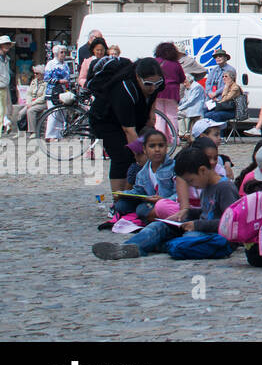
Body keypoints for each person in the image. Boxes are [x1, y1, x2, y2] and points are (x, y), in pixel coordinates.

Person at [93, 146, 239, 260]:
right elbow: (206, 212)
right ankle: (127, 248)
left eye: (191, 181)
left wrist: (196, 225)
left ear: (202, 171)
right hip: (199, 227)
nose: (192, 186)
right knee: (158, 225)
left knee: (189, 239)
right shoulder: (206, 185)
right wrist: (186, 213)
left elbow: (230, 222)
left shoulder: (224, 188)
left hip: (218, 237)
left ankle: (154, 245)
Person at [90, 57, 164, 195]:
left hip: (135, 116)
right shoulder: (124, 89)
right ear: (138, 77)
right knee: (123, 157)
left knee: (143, 154)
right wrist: (140, 154)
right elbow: (128, 130)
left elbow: (152, 106)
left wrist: (148, 130)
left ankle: (133, 196)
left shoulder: (155, 83)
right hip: (106, 121)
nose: (153, 88)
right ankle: (118, 202)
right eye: (148, 84)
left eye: (157, 83)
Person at [153, 43, 186, 142]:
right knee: (172, 115)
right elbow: (182, 78)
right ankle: (173, 138)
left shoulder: (155, 62)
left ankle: (161, 137)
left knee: (159, 116)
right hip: (172, 92)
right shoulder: (176, 64)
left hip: (158, 90)